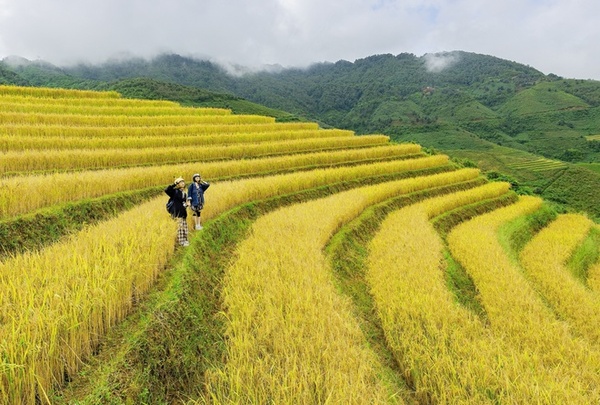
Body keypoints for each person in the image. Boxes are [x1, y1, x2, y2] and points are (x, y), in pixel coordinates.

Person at [165, 177, 190, 247]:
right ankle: (182, 242)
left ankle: (185, 240)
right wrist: (174, 184)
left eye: (183, 182)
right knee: (180, 228)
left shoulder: (184, 193)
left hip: (183, 212)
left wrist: (187, 204)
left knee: (184, 227)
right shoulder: (174, 192)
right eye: (180, 182)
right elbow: (167, 190)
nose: (182, 183)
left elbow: (183, 203)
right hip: (176, 213)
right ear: (178, 184)